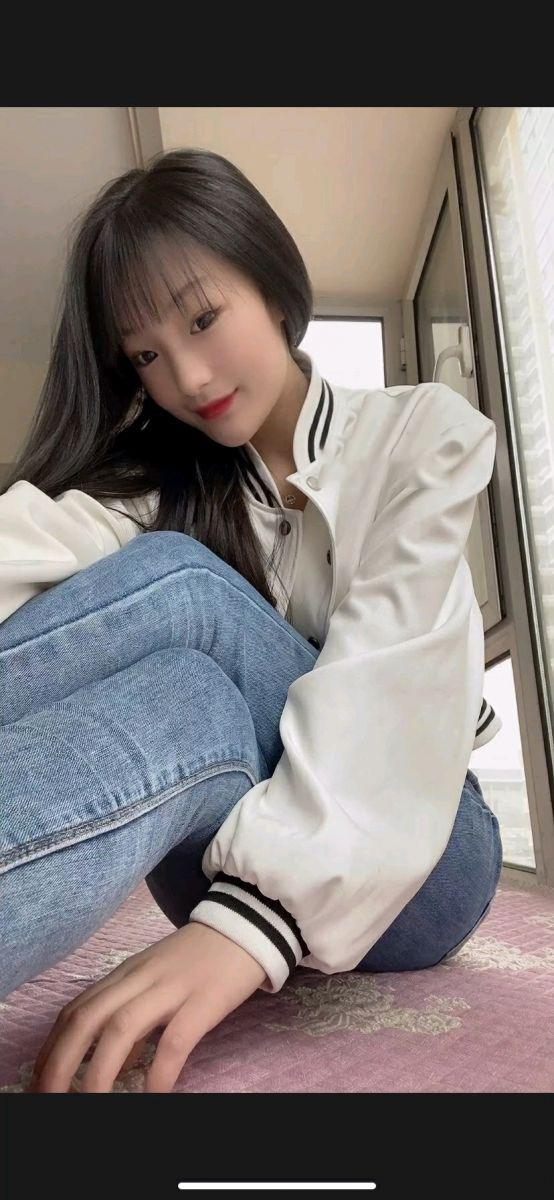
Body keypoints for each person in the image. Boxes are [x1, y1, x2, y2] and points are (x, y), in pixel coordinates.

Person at [0, 148, 503, 1093]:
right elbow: (32, 543)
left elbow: (392, 682)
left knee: (182, 585)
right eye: (146, 356)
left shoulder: (417, 437)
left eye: (201, 318)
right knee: (184, 691)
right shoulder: (163, 484)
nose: (188, 377)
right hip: (225, 858)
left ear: (270, 281)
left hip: (425, 850)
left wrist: (250, 926)